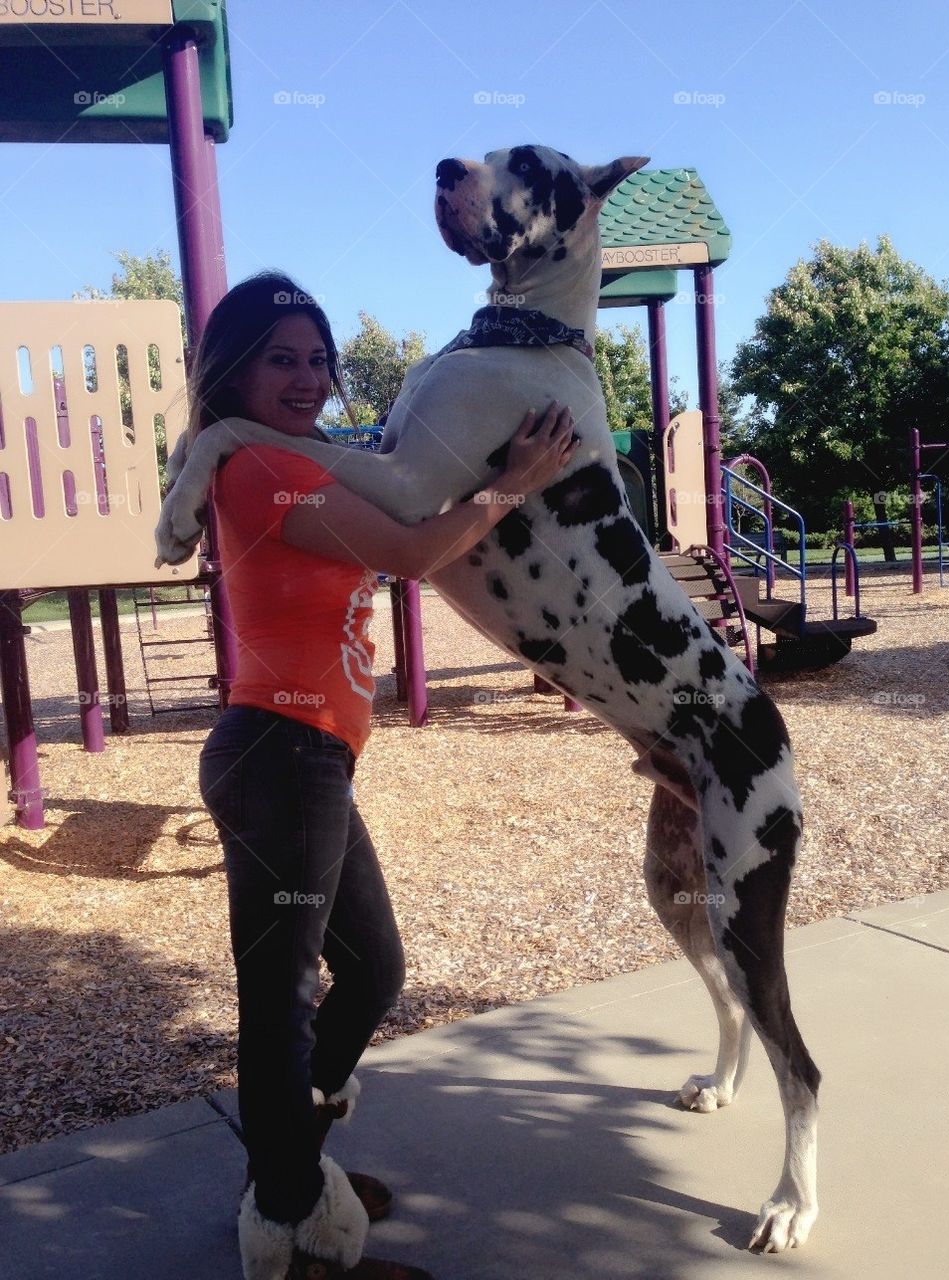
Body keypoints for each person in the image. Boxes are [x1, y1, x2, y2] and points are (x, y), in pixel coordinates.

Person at [183, 271, 578, 1280]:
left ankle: (291, 1166)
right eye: (282, 357)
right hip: (281, 754)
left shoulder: (290, 457)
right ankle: (289, 1227)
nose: (308, 376)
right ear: (233, 368)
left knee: (371, 971)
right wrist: (510, 485)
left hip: (306, 756)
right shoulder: (255, 469)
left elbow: (403, 496)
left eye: (318, 359)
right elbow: (407, 549)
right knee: (281, 1003)